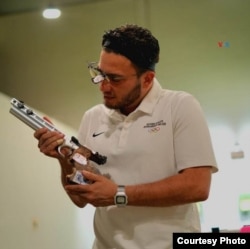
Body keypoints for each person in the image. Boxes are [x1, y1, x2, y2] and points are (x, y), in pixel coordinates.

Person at [34, 24, 218, 249]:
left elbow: (197, 186)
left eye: (115, 79)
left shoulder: (179, 106)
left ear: (148, 79)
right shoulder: (92, 117)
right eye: (99, 73)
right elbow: (80, 198)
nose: (103, 86)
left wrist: (118, 194)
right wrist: (63, 158)